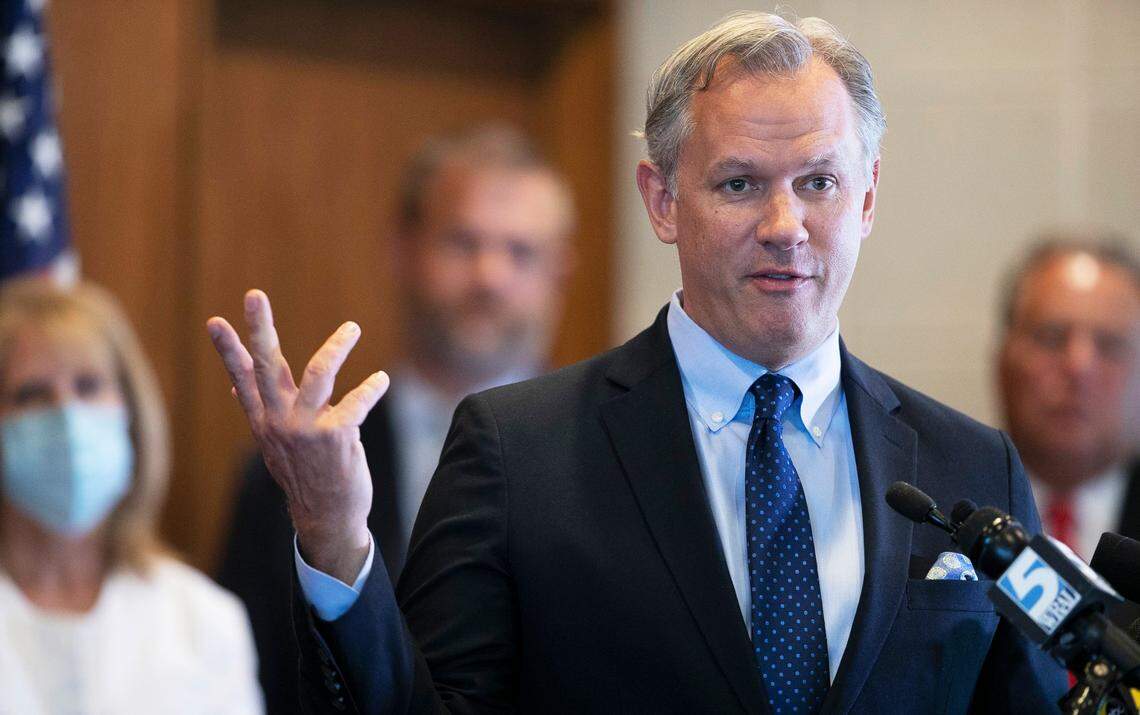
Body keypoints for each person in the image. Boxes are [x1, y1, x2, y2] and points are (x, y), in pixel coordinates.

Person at [207, 11, 1068, 714]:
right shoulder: (518, 451)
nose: (785, 224)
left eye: (819, 182)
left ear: (869, 196)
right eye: (738, 183)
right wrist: (334, 537)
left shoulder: (969, 465)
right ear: (662, 200)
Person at [216, 124, 575, 714]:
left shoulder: (610, 453)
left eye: (521, 251)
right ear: (402, 250)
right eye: (463, 243)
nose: (490, 277)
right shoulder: (287, 474)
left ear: (560, 271)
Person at [0, 279, 263, 714]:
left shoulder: (205, 621)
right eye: (31, 395)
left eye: (88, 386)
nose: (67, 416)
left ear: (131, 413)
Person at [997, 237, 1140, 562]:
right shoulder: (940, 505)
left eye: (1109, 345)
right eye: (1051, 338)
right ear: (1002, 361)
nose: (1078, 367)